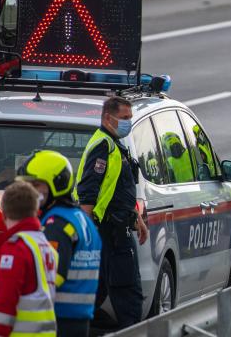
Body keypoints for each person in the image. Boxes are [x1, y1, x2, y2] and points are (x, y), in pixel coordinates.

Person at [76, 96, 146, 330]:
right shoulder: (103, 146)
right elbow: (88, 191)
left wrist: (136, 217)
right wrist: (85, 232)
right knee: (127, 293)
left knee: (98, 290)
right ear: (108, 118)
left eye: (130, 117)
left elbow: (116, 190)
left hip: (115, 227)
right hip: (110, 231)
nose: (129, 122)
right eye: (125, 118)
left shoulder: (115, 145)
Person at [18, 151, 102, 337]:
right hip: (78, 318)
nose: (29, 191)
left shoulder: (56, 224)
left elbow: (53, 275)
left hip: (59, 318)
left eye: (35, 185)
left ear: (56, 184)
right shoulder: (80, 218)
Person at [0, 181, 58, 337]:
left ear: (4, 215)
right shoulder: (44, 245)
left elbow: (3, 309)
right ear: (36, 211)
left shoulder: (14, 250)